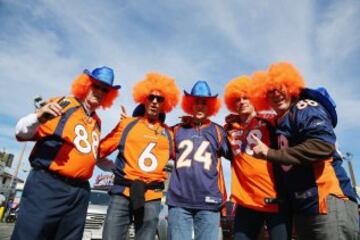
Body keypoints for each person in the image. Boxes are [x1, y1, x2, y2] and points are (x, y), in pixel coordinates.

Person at [251, 62, 359, 239]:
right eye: (270, 91)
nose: (277, 93)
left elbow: (322, 146)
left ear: (292, 87)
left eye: (281, 87)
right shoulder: (279, 122)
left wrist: (270, 154)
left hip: (328, 201)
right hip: (304, 208)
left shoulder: (304, 107)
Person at [12, 66, 120, 240]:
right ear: (86, 84)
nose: (99, 91)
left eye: (104, 89)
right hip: (49, 186)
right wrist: (39, 117)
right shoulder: (65, 104)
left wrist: (116, 168)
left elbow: (91, 156)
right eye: (96, 86)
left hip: (80, 192)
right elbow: (21, 131)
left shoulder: (97, 121)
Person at [100, 72, 180, 240]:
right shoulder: (127, 125)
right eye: (151, 97)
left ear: (165, 104)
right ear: (144, 98)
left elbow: (183, 159)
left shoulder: (169, 133)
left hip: (152, 196)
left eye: (160, 99)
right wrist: (111, 167)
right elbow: (98, 151)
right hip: (122, 192)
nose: (155, 102)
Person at [223, 75, 290, 240]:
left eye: (246, 97)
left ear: (255, 99)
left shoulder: (270, 121)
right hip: (246, 201)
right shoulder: (230, 128)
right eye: (237, 99)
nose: (242, 101)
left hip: (274, 198)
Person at [167, 80, 232, 240]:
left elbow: (236, 155)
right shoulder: (177, 129)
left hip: (209, 201)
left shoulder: (218, 131)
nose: (200, 106)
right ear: (190, 104)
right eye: (197, 102)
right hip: (179, 201)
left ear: (210, 106)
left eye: (204, 102)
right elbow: (157, 149)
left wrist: (237, 129)